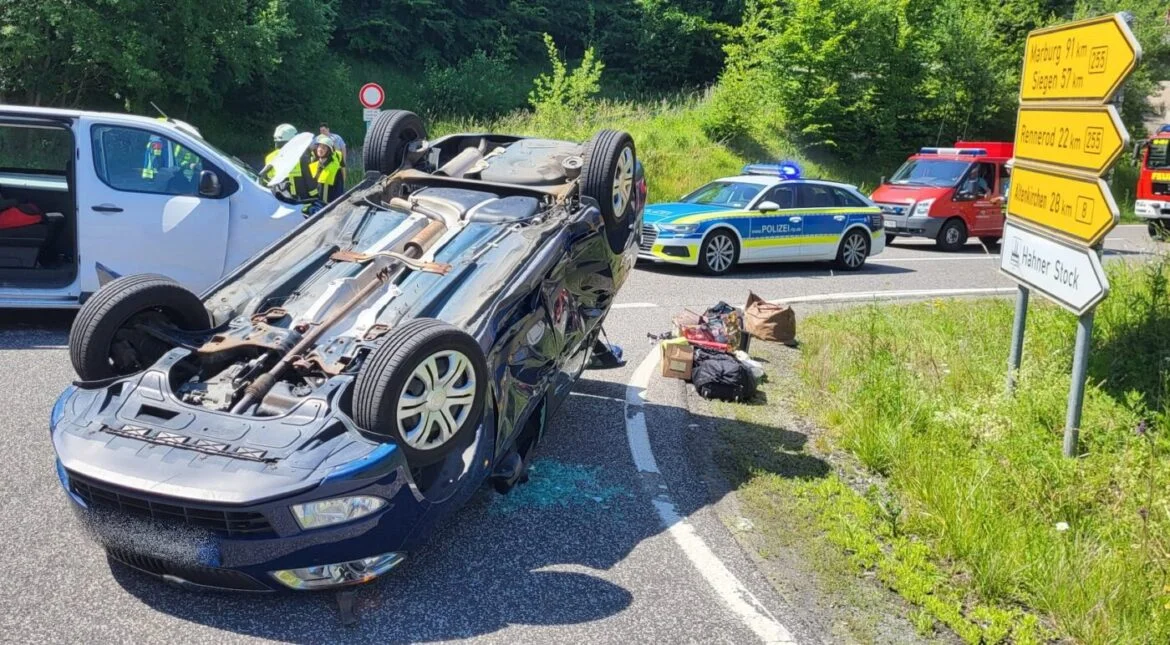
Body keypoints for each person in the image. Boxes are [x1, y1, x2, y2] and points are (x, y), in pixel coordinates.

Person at [263, 123, 301, 193]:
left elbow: (267, 179)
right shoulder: (299, 156)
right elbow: (308, 180)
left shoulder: (269, 157)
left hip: (277, 197)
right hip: (298, 199)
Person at [308, 135, 343, 204]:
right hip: (317, 204)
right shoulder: (314, 165)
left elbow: (339, 191)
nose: (320, 149)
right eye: (319, 147)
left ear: (329, 151)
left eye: (323, 147)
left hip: (330, 205)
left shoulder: (335, 169)